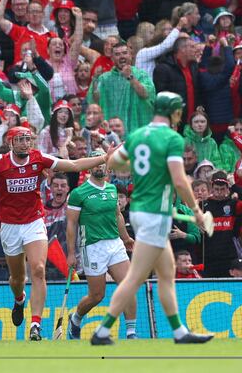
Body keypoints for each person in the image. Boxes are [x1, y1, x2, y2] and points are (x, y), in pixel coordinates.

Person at [0, 127, 118, 341]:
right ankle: (19, 299)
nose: (25, 143)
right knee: (17, 278)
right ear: (11, 143)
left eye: (28, 139)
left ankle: (35, 325)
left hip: (34, 222)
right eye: (20, 140)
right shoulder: (0, 162)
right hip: (10, 227)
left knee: (38, 269)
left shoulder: (39, 158)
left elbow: (73, 165)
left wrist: (104, 157)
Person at [91, 92, 213, 345]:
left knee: (167, 273)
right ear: (174, 112)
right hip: (154, 215)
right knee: (135, 277)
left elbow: (113, 161)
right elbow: (180, 180)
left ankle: (179, 332)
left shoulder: (137, 134)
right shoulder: (171, 138)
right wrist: (197, 212)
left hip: (141, 211)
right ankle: (102, 331)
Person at [65, 150, 137, 340]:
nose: (99, 166)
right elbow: (71, 224)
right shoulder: (78, 193)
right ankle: (76, 318)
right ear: (90, 165)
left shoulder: (112, 189)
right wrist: (71, 253)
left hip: (114, 244)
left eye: (102, 163)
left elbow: (118, 216)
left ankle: (131, 333)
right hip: (92, 247)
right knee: (97, 295)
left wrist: (126, 238)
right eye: (96, 162)